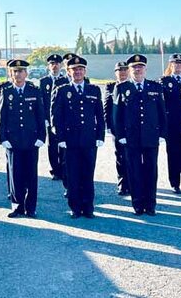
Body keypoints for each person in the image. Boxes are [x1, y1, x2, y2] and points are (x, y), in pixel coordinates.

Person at [113, 54, 167, 216]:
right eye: (134, 67)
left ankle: (150, 205)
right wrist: (120, 135)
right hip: (131, 137)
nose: (137, 70)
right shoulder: (122, 88)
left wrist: (162, 133)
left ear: (145, 69)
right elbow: (117, 115)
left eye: (140, 67)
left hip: (151, 136)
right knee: (134, 170)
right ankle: (137, 204)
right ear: (129, 70)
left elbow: (161, 112)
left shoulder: (155, 87)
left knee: (151, 171)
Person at [51, 55, 104, 219]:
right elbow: (56, 116)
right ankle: (75, 207)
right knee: (73, 175)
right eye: (74, 69)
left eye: (80, 69)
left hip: (89, 140)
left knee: (88, 174)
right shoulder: (62, 91)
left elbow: (99, 116)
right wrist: (60, 138)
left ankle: (88, 207)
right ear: (68, 72)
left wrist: (100, 135)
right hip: (70, 141)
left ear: (85, 71)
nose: (78, 72)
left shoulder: (93, 90)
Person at [0, 59, 47, 218]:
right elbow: (1, 116)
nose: (18, 74)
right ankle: (17, 206)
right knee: (15, 175)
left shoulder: (34, 91)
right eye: (14, 71)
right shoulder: (6, 92)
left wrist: (41, 136)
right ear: (11, 74)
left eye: (21, 71)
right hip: (13, 141)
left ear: (26, 73)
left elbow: (41, 116)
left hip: (31, 141)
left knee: (31, 175)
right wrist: (2, 137)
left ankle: (31, 207)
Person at [161, 54, 181, 194]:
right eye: (175, 63)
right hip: (172, 125)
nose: (178, 66)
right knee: (173, 155)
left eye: (180, 63)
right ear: (170, 65)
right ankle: (175, 183)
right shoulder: (164, 81)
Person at [104, 61, 131, 196]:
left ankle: (132, 183)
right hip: (117, 128)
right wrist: (108, 126)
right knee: (120, 156)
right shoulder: (110, 87)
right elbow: (106, 107)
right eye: (120, 70)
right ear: (115, 73)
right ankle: (122, 183)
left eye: (125, 70)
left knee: (132, 157)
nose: (122, 72)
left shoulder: (133, 86)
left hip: (132, 128)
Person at [40, 54, 68, 181]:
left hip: (62, 119)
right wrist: (45, 119)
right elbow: (41, 102)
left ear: (61, 65)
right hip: (48, 120)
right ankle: (55, 170)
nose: (54, 66)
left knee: (63, 143)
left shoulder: (65, 80)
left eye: (57, 63)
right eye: (52, 64)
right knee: (52, 145)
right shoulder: (43, 81)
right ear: (48, 66)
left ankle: (63, 168)